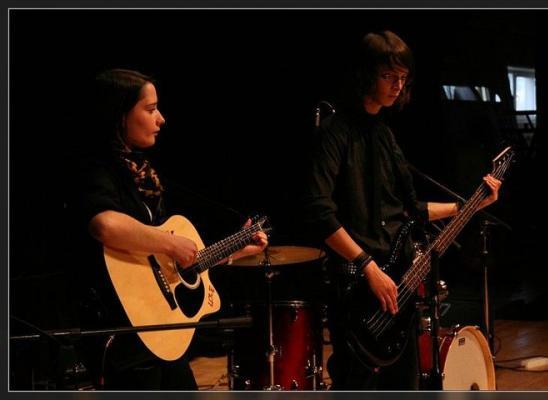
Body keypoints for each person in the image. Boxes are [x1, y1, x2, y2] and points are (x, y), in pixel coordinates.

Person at [303, 31, 502, 390]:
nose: (397, 85)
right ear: (366, 74)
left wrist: (469, 206)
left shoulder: (385, 135)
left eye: (403, 78)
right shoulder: (335, 133)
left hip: (399, 287)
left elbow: (410, 211)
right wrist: (368, 266)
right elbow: (319, 211)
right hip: (357, 287)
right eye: (388, 76)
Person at [66, 68, 268, 390]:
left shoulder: (143, 175)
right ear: (120, 115)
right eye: (150, 110)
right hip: (123, 336)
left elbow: (177, 267)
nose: (161, 119)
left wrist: (237, 249)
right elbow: (104, 224)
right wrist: (171, 244)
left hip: (159, 332)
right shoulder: (96, 167)